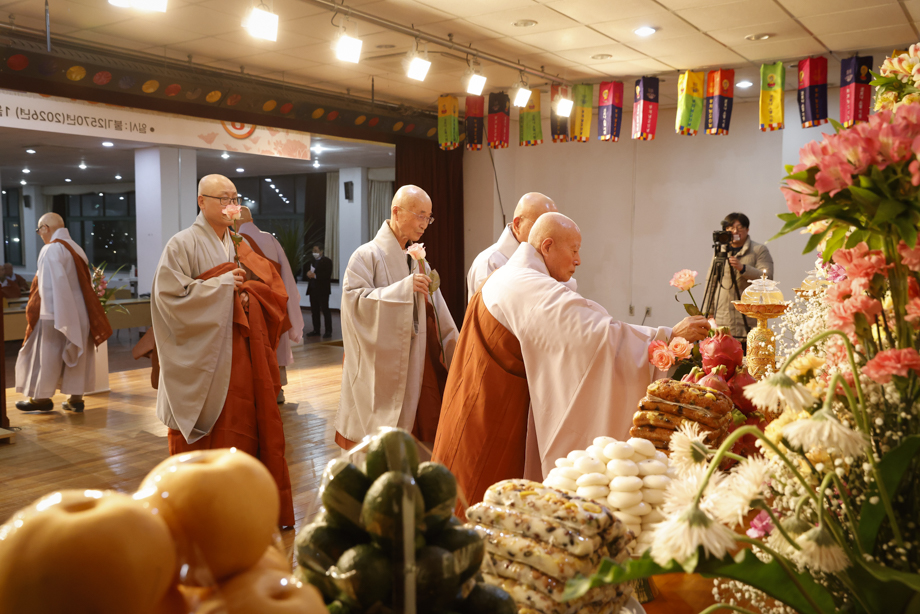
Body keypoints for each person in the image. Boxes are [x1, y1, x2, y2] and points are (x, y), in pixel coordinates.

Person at [432, 213, 711, 506]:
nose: (578, 260)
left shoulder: (515, 276)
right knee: (477, 500)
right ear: (547, 246)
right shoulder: (525, 285)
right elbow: (595, 335)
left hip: (486, 398)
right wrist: (666, 338)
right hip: (492, 412)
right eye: (574, 250)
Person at [151, 174, 295, 527]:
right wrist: (221, 289)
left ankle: (236, 505)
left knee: (240, 423)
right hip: (201, 357)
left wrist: (245, 297)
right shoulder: (181, 244)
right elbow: (168, 298)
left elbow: (265, 287)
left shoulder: (236, 243)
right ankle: (194, 510)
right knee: (206, 435)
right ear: (201, 201)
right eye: (223, 199)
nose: (231, 206)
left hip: (237, 352)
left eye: (234, 199)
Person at [335, 185, 459, 449]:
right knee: (377, 443)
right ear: (396, 211)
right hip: (380, 364)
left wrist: (455, 348)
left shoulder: (417, 259)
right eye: (420, 215)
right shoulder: (365, 255)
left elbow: (438, 310)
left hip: (416, 356)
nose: (424, 224)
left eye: (428, 217)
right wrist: (404, 289)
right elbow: (354, 304)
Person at [14, 213, 112, 413]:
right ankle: (76, 400)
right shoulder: (76, 248)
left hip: (55, 312)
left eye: (39, 230)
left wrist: (47, 317)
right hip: (80, 312)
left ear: (46, 228)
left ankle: (41, 399)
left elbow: (49, 286)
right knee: (78, 356)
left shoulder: (50, 249)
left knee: (47, 356)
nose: (40, 235)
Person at [236, 207, 305, 404]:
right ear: (251, 220)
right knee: (276, 343)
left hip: (252, 301)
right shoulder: (269, 238)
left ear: (236, 222)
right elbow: (286, 275)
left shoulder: (237, 241)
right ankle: (277, 390)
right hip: (275, 300)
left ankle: (256, 392)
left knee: (255, 346)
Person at [466, 192, 573, 302]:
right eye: (542, 226)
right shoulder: (490, 263)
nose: (549, 235)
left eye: (553, 228)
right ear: (518, 224)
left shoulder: (546, 258)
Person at [707, 212, 774, 342]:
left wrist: (743, 268)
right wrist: (708, 312)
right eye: (730, 228)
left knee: (749, 350)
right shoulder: (721, 251)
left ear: (747, 229)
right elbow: (711, 282)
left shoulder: (759, 250)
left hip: (749, 315)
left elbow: (768, 277)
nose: (735, 231)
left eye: (739, 227)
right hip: (723, 315)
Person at [306, 243, 333, 339]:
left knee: (325, 310)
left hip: (323, 290)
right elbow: (308, 272)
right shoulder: (311, 261)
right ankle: (316, 330)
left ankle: (328, 331)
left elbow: (327, 275)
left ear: (321, 251)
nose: (314, 253)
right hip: (313, 289)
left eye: (316, 251)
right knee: (314, 311)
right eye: (313, 251)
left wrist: (315, 276)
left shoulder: (327, 261)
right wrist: (308, 274)